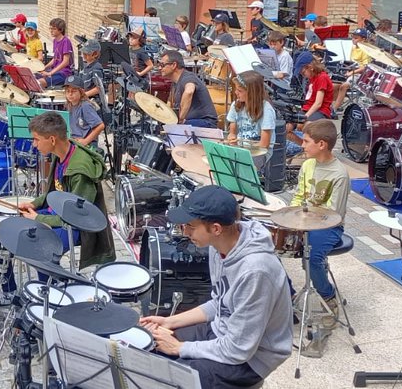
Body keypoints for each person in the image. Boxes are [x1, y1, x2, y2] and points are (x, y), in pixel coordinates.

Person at [140, 185, 292, 389]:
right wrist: (169, 321)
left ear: (216, 228)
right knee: (150, 342)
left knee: (173, 376)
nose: (185, 232)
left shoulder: (256, 272)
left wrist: (180, 348)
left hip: (252, 360)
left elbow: (239, 350)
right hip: (223, 332)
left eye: (191, 226)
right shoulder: (219, 247)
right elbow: (219, 302)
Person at [16, 111, 115, 268]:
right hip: (55, 215)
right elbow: (53, 191)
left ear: (52, 139)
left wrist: (38, 218)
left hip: (75, 227)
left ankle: (56, 287)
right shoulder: (60, 152)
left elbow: (77, 218)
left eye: (36, 139)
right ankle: (10, 290)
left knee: (41, 254)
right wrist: (34, 204)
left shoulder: (80, 170)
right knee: (11, 234)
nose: (34, 144)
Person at [291, 119, 351, 310]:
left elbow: (334, 215)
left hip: (330, 227)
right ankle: (287, 292)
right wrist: (289, 217)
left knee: (313, 256)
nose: (302, 145)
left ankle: (328, 294)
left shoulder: (339, 175)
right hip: (305, 220)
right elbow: (299, 196)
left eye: (306, 141)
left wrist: (306, 221)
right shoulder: (308, 165)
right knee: (268, 242)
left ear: (321, 144)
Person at [159, 50, 218, 128]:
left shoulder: (188, 77)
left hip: (205, 122)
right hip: (192, 121)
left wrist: (180, 120)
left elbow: (189, 91)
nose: (159, 68)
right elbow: (170, 102)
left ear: (174, 65)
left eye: (162, 65)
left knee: (174, 129)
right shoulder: (175, 82)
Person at [225, 71, 275, 155]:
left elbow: (264, 144)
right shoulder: (236, 105)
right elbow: (232, 132)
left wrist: (243, 151)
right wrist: (232, 137)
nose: (236, 93)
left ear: (252, 93)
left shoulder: (267, 110)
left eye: (240, 91)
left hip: (260, 152)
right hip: (241, 149)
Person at [332, 29, 371, 111]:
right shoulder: (353, 49)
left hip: (360, 76)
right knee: (333, 85)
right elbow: (352, 63)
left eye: (356, 38)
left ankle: (334, 109)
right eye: (353, 37)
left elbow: (365, 67)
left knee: (344, 86)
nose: (353, 39)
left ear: (363, 39)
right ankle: (338, 103)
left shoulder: (365, 51)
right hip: (351, 73)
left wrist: (351, 73)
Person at [63, 76, 104, 148]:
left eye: (74, 91)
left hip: (87, 144)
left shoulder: (85, 106)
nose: (70, 94)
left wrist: (85, 141)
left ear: (81, 92)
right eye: (68, 91)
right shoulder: (69, 105)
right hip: (73, 140)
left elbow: (100, 126)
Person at [35, 18, 74, 87]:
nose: (51, 31)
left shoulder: (66, 41)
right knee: (34, 76)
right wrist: (44, 67)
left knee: (40, 82)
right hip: (55, 70)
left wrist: (50, 73)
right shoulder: (55, 41)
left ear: (61, 30)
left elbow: (66, 62)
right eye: (50, 28)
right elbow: (55, 58)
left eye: (54, 29)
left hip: (64, 73)